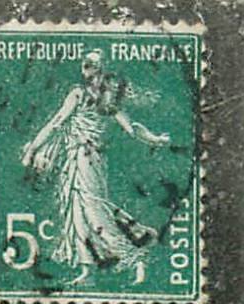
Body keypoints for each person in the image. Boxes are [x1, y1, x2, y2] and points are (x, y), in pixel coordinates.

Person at [20, 49, 170, 284]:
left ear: (91, 70)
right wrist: (155, 139)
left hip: (85, 158)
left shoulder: (80, 95)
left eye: (89, 66)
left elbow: (57, 123)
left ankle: (134, 257)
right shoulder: (106, 98)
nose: (88, 70)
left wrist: (32, 149)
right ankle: (86, 269)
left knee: (94, 210)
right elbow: (132, 129)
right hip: (81, 159)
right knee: (77, 210)